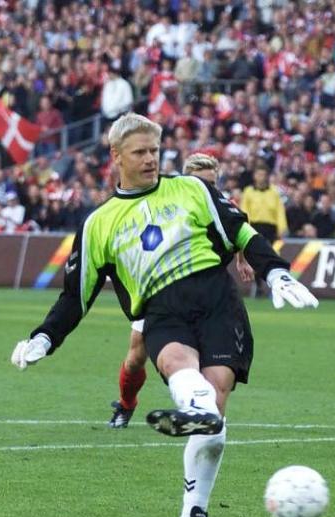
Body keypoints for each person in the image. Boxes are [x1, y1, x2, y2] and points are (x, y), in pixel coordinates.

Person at [10, 113, 317, 517]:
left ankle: (193, 513)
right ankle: (195, 443)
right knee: (180, 370)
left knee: (217, 405)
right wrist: (44, 337)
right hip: (161, 310)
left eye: (155, 150)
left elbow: (241, 232)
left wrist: (278, 273)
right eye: (140, 152)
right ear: (116, 156)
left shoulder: (193, 189)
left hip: (215, 299)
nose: (151, 159)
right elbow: (75, 297)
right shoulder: (99, 223)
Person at [107, 152, 256, 429]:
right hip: (163, 294)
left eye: (211, 183)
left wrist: (242, 258)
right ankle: (126, 404)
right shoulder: (166, 206)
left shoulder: (220, 207)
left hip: (209, 298)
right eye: (200, 182)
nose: (206, 189)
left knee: (210, 364)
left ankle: (204, 414)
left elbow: (242, 230)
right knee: (135, 357)